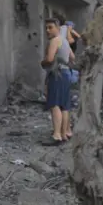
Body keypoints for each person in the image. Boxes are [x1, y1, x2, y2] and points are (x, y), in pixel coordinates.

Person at [41, 18, 74, 146]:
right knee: (64, 106)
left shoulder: (55, 41)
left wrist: (42, 62)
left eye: (50, 27)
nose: (48, 30)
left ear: (58, 28)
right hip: (66, 74)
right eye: (46, 28)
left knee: (54, 105)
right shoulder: (65, 41)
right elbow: (72, 58)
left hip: (57, 74)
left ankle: (56, 135)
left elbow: (49, 59)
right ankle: (65, 133)